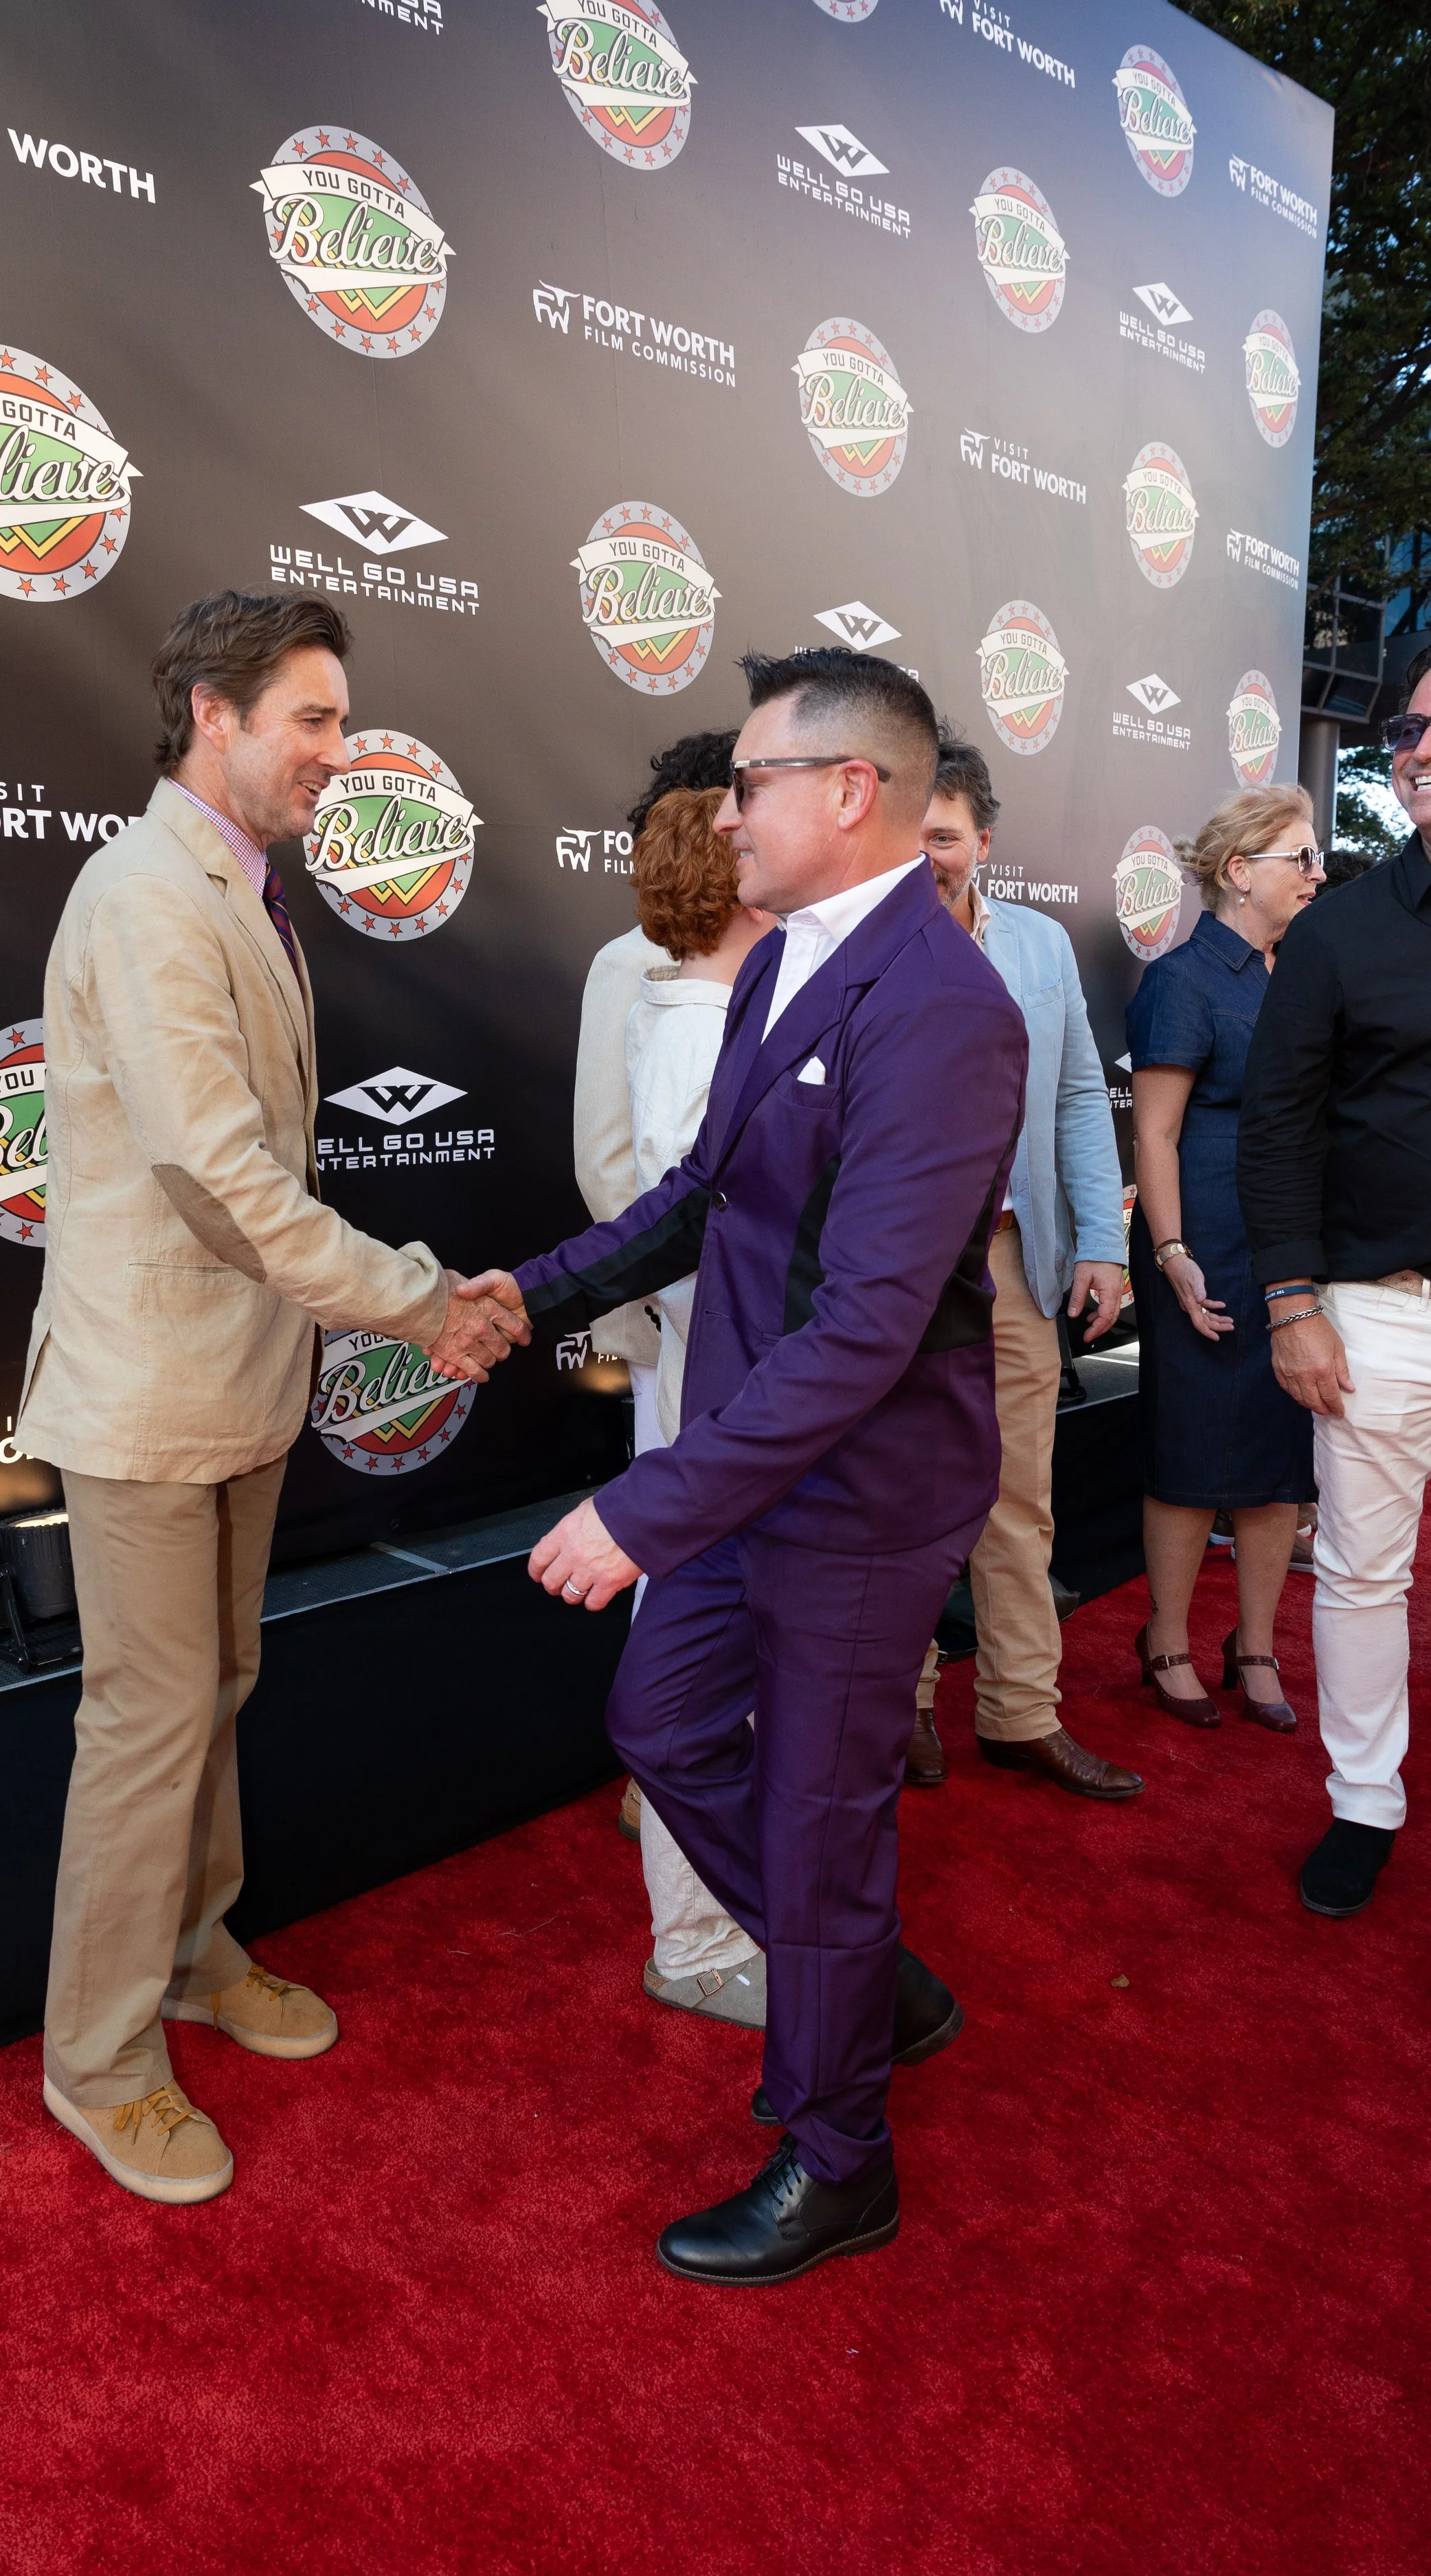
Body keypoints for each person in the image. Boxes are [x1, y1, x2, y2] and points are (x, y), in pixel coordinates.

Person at [458, 646, 1028, 2284]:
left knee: (817, 1822)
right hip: (749, 1458)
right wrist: (528, 1295)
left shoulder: (945, 1009)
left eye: (750, 783)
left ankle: (840, 2158)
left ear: (849, 793)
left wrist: (643, 1509)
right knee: (658, 1725)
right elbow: (699, 1193)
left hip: (859, 1491)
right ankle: (869, 1984)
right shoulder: (785, 961)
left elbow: (864, 1331)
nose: (724, 814)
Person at [16, 592, 525, 2204]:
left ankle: (189, 1951)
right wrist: (422, 1306)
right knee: (149, 1722)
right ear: (212, 717)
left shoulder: (240, 885)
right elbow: (220, 1179)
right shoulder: (145, 895)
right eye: (310, 718)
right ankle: (97, 2062)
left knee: (215, 1687)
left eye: (339, 719)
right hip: (147, 1393)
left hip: (237, 1377)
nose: (337, 749)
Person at [1238, 646, 1431, 1919]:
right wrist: (1293, 1301)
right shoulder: (1339, 932)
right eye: (1410, 729)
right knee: (1365, 1571)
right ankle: (1365, 1799)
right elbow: (1277, 1129)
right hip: (1376, 1308)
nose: (1420, 750)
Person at [914, 740, 1138, 1799]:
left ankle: (1019, 1711)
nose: (927, 856)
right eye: (910, 835)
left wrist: (1103, 1240)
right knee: (900, 1493)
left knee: (1019, 1495)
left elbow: (1081, 1096)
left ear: (984, 841)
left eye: (944, 836)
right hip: (897, 1267)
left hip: (1012, 1257)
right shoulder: (851, 942)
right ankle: (905, 1701)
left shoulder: (1041, 945)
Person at [624, 786, 776, 2022]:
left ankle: (725, 1920)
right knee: (699, 1674)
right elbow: (700, 1237)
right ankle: (696, 1942)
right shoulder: (702, 1027)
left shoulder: (695, 1010)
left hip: (719, 1391)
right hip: (721, 1397)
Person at [1127, 787, 1322, 1737]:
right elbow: (1155, 1135)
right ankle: (1166, 1640)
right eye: (1301, 856)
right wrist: (1172, 1254)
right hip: (1200, 1242)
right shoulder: (1182, 979)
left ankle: (1255, 1647)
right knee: (1190, 1447)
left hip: (1290, 1248)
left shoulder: (1302, 974)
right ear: (1240, 872)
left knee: (1282, 1457)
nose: (1318, 873)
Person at [571, 730, 736, 1781]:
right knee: (672, 1534)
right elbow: (608, 1161)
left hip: (762, 1335)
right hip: (672, 1311)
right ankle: (663, 1769)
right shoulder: (631, 961)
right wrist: (678, 1298)